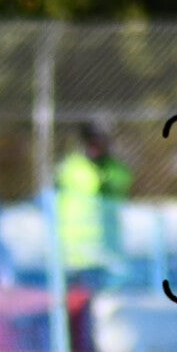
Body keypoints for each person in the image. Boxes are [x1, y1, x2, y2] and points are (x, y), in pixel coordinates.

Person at [55, 122, 132, 294]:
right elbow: (89, 183)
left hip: (106, 247)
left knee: (103, 295)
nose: (94, 146)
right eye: (90, 141)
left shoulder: (115, 169)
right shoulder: (75, 167)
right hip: (76, 250)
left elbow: (120, 182)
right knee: (76, 296)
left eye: (99, 141)